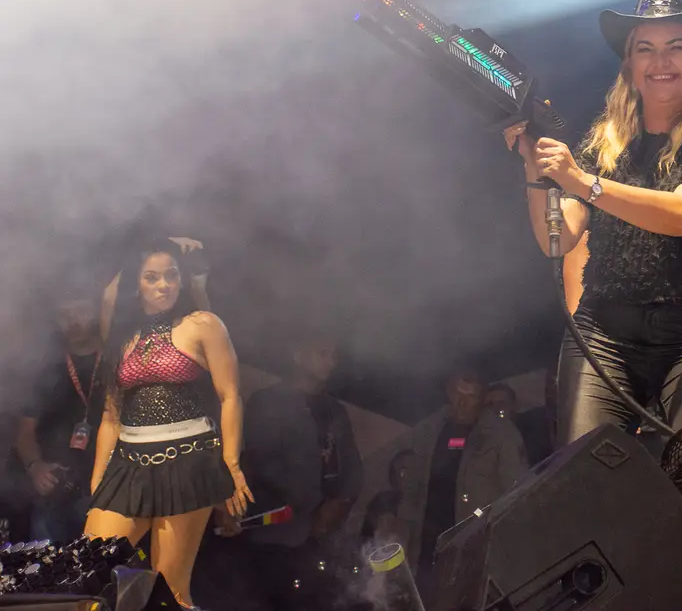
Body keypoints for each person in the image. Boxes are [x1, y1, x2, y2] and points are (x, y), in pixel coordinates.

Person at [504, 0, 682, 443]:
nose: (660, 61)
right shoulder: (604, 144)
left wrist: (582, 181)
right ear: (629, 65)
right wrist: (533, 167)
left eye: (675, 47)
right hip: (606, 331)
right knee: (589, 470)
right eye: (645, 49)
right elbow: (557, 240)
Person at [85, 245, 250, 608]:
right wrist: (99, 480)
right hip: (129, 464)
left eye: (172, 275)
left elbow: (230, 395)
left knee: (169, 593)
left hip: (188, 463)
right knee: (90, 571)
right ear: (136, 284)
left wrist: (231, 464)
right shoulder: (123, 336)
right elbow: (111, 416)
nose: (164, 285)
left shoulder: (202, 324)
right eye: (152, 277)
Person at [221, 334, 363, 611]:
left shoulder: (336, 411)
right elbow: (263, 462)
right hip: (277, 534)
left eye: (334, 355)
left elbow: (352, 466)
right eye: (323, 352)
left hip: (323, 539)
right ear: (298, 355)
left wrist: (340, 502)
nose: (331, 361)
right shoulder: (267, 402)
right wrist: (314, 508)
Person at [395, 364, 529, 588]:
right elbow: (412, 491)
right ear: (448, 391)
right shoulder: (430, 429)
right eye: (458, 393)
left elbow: (518, 495)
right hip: (427, 548)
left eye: (471, 396)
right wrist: (403, 537)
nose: (462, 402)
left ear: (482, 398)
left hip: (475, 549)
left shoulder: (502, 435)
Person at [16, 289, 106, 543]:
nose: (73, 321)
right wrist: (35, 467)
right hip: (58, 490)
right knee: (47, 563)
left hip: (111, 484)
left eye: (81, 311)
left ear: (97, 312)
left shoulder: (117, 358)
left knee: (114, 561)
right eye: (65, 314)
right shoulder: (46, 368)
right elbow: (24, 431)